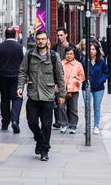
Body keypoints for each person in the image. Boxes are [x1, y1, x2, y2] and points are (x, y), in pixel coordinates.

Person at [17, 30, 66, 161]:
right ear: (36, 40)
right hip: (33, 95)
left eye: (43, 39)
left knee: (46, 125)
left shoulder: (54, 56)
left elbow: (60, 77)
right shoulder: (30, 55)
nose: (40, 41)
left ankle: (44, 150)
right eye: (38, 39)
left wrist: (62, 94)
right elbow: (22, 72)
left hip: (48, 97)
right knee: (31, 122)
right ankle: (39, 140)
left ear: (47, 40)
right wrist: (20, 87)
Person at [0, 27, 26, 132]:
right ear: (16, 35)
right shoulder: (21, 47)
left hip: (3, 77)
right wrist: (27, 77)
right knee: (17, 98)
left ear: (5, 35)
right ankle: (15, 121)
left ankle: (5, 123)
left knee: (5, 99)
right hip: (17, 78)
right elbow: (26, 63)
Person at [51, 27, 80, 128]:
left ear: (66, 35)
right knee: (58, 102)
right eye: (58, 35)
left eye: (61, 35)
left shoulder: (73, 48)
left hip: (70, 80)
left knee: (71, 103)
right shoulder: (54, 48)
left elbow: (78, 64)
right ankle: (60, 121)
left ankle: (69, 122)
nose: (59, 37)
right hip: (58, 79)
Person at [82, 42, 109, 134]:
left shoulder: (101, 62)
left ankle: (96, 126)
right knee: (87, 107)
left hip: (99, 88)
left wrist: (101, 80)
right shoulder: (84, 61)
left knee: (96, 108)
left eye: (94, 49)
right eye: (90, 49)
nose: (92, 51)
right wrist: (84, 81)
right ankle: (88, 126)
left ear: (97, 51)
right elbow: (81, 73)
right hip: (86, 87)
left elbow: (106, 73)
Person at [59, 46, 85, 134]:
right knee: (61, 107)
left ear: (74, 55)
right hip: (62, 90)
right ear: (65, 54)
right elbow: (57, 75)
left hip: (73, 90)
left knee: (73, 109)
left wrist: (77, 80)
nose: (69, 56)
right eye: (67, 54)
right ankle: (64, 124)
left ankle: (73, 125)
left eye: (71, 54)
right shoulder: (61, 63)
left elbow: (82, 76)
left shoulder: (78, 65)